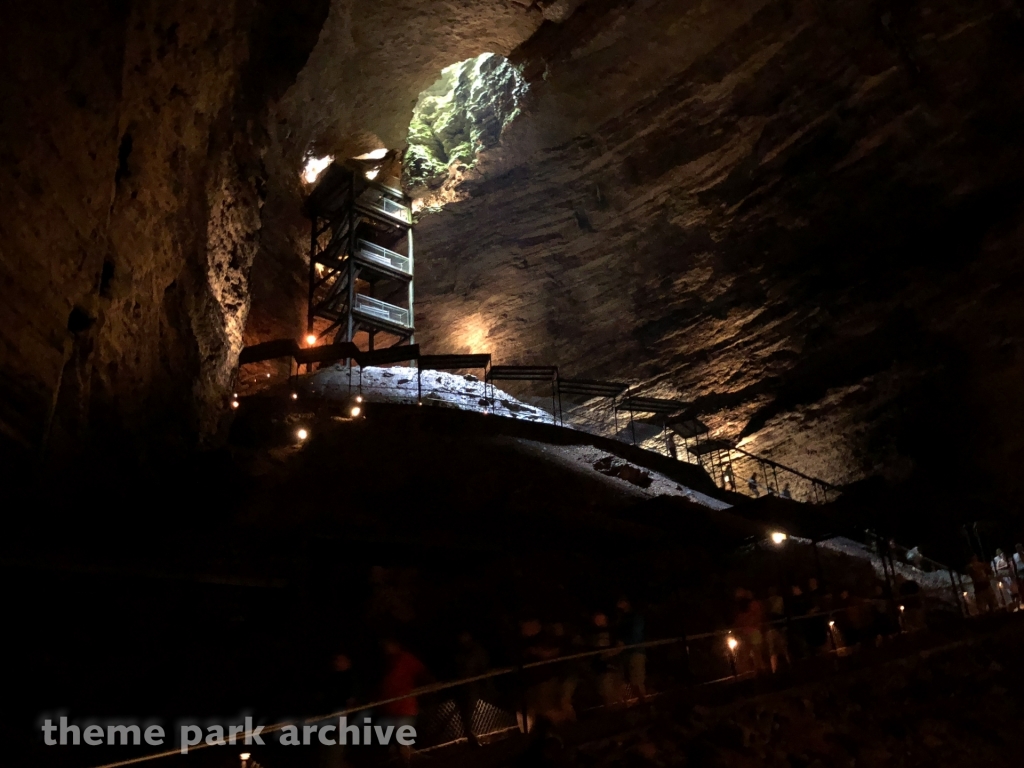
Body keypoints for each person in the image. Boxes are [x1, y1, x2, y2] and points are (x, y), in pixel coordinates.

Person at [379, 638, 430, 761]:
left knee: (403, 742)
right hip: (390, 709)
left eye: (389, 645)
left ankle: (408, 759)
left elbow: (422, 672)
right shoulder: (386, 662)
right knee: (395, 743)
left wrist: (425, 687)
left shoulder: (405, 659)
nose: (387, 649)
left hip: (404, 707)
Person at [454, 632, 489, 746]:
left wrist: (483, 682)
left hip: (472, 686)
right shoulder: (459, 653)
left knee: (470, 710)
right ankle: (470, 735)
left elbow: (482, 667)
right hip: (462, 687)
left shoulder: (476, 651)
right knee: (465, 712)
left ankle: (471, 735)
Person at [614, 597, 646, 702]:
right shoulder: (620, 619)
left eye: (621, 602)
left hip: (635, 652)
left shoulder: (635, 617)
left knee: (637, 681)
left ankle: (644, 705)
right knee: (628, 683)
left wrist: (624, 642)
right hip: (625, 653)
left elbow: (637, 635)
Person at [733, 589, 766, 673]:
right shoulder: (742, 609)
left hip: (751, 632)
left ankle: (759, 674)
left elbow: (757, 618)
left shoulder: (752, 606)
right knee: (752, 656)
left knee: (755, 655)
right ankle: (755, 674)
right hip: (750, 632)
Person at [763, 587, 789, 673]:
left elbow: (782, 612)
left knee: (782, 648)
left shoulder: (779, 600)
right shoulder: (768, 602)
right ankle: (775, 669)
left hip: (778, 626)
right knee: (775, 650)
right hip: (773, 627)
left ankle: (786, 666)